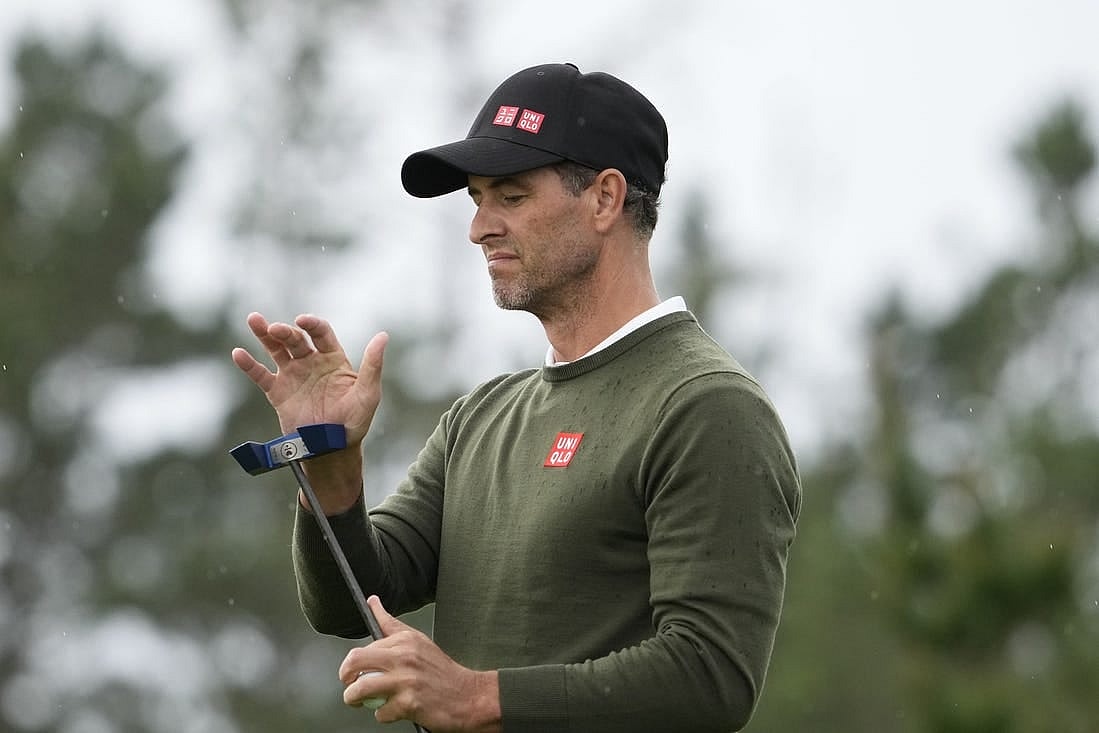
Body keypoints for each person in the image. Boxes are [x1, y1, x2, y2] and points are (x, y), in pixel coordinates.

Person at [232, 62, 801, 733]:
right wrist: (329, 472)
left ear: (604, 199)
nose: (478, 227)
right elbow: (352, 598)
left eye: (510, 196)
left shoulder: (706, 406)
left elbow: (710, 677)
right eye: (476, 198)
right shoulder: (479, 418)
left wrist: (479, 697)